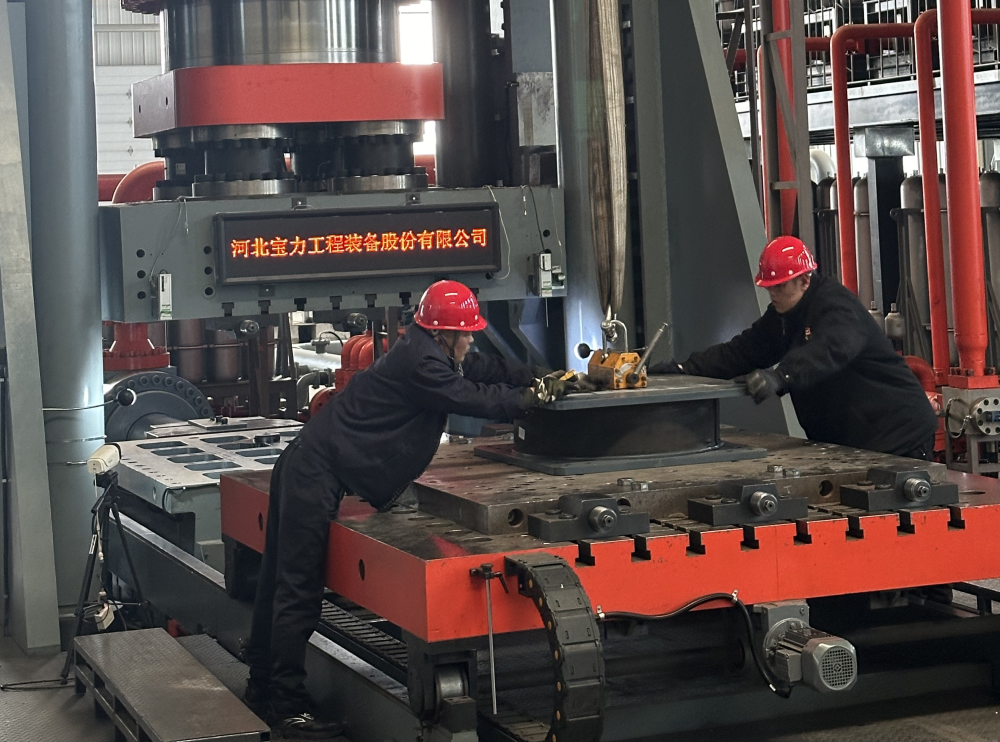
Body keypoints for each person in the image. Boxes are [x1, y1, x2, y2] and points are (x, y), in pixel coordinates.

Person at [244, 280, 577, 739]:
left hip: (310, 465)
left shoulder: (429, 347)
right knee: (296, 591)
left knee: (279, 585)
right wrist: (531, 398)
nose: (471, 340)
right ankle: (286, 707)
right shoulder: (422, 363)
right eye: (465, 333)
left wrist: (547, 376)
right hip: (312, 474)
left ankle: (261, 688)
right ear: (442, 333)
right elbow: (471, 398)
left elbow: (483, 368)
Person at [652, 237, 938, 460]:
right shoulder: (784, 316)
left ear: (804, 280)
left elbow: (828, 350)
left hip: (899, 437)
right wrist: (684, 369)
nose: (772, 293)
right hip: (854, 443)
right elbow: (742, 351)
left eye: (779, 286)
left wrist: (781, 376)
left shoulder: (837, 308)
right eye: (769, 287)